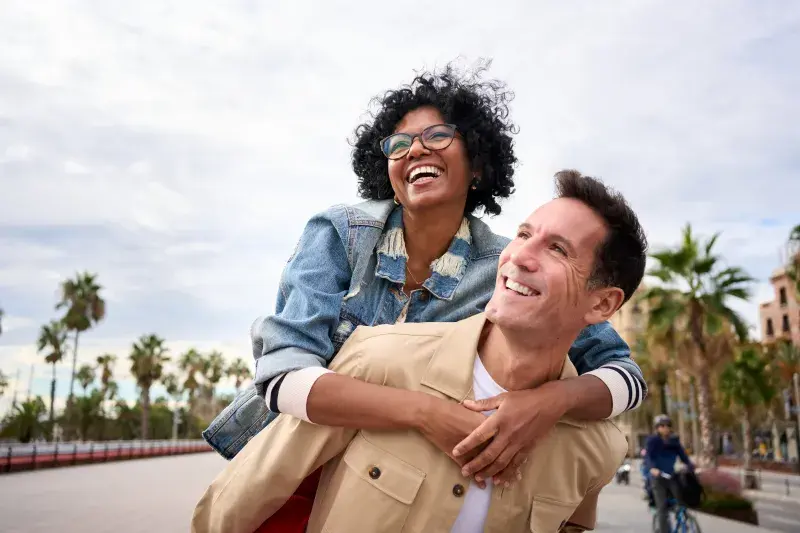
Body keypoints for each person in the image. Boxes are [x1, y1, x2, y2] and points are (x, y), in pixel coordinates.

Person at [203, 64, 646, 529]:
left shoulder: (506, 266)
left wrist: (547, 403)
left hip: (394, 481)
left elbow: (625, 379)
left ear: (477, 163)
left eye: (436, 136)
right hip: (294, 466)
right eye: (398, 144)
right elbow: (281, 378)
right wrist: (425, 412)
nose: (415, 149)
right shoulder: (342, 234)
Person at [644, 414, 695, 532]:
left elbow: (683, 456)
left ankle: (683, 522)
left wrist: (691, 466)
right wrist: (652, 468)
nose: (665, 428)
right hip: (658, 478)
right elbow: (648, 457)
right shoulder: (652, 441)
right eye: (661, 425)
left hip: (672, 476)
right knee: (662, 508)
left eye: (667, 425)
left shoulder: (674, 441)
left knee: (682, 502)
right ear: (657, 428)